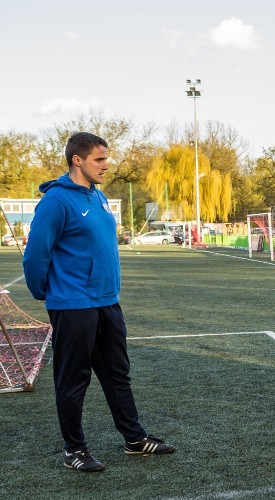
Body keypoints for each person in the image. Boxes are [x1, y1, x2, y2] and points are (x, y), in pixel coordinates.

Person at [23, 132, 175, 472]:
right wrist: (45, 293)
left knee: (117, 374)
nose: (107, 165)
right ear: (78, 160)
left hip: (108, 302)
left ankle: (134, 439)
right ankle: (74, 450)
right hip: (73, 304)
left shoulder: (99, 196)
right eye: (100, 159)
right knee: (74, 379)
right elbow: (35, 256)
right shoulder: (56, 201)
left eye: (107, 158)